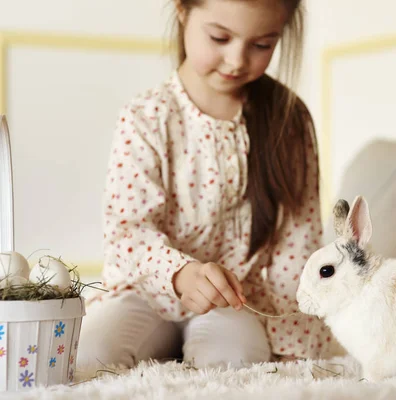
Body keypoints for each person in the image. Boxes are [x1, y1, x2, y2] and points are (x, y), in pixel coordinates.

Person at [77, 0, 336, 370]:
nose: (236, 60)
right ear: (182, 11)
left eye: (261, 45)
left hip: (233, 297)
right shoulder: (146, 117)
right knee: (89, 358)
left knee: (233, 361)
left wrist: (293, 342)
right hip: (144, 292)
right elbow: (127, 231)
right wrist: (179, 273)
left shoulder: (288, 120)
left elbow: (296, 245)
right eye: (220, 37)